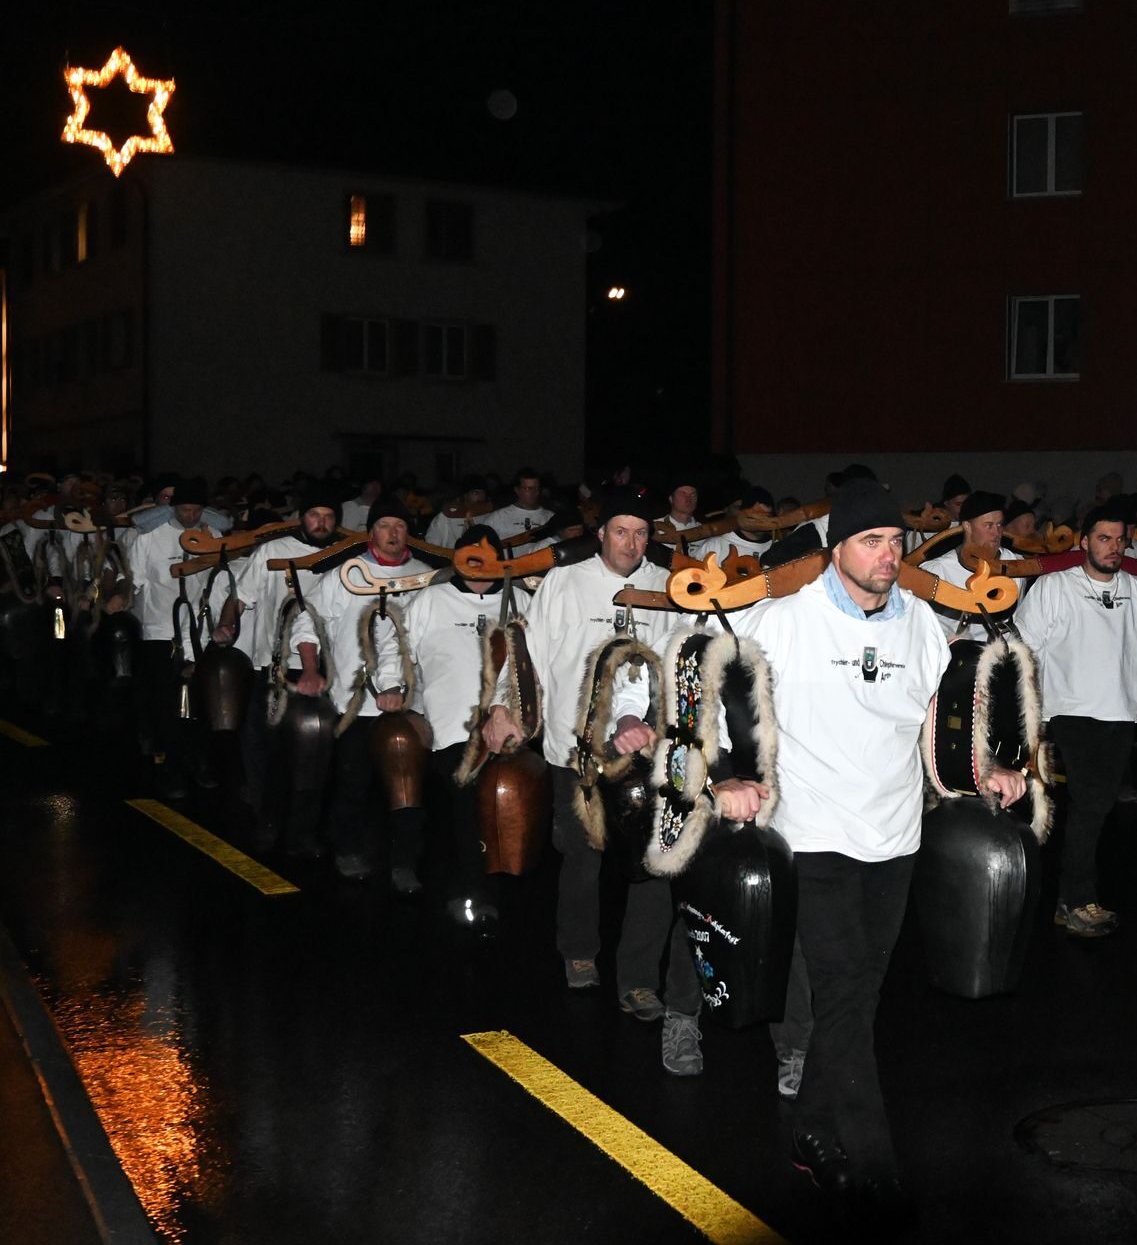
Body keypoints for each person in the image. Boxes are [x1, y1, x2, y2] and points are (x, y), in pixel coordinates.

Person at [728, 478, 1025, 1220]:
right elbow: (721, 686)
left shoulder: (920, 623)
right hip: (814, 830)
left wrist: (976, 770)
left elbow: (936, 721)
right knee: (844, 990)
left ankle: (809, 1128)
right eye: (870, 541)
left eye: (895, 542)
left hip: (894, 835)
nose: (888, 555)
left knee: (859, 991)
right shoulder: (784, 620)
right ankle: (872, 1156)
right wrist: (735, 774)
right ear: (837, 552)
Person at [517, 488, 704, 1075]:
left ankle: (640, 980)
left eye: (641, 533)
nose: (631, 543)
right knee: (581, 855)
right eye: (621, 531)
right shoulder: (564, 583)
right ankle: (579, 951)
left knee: (652, 862)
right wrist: (520, 711)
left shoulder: (666, 587)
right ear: (601, 534)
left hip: (644, 749)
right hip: (575, 749)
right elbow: (535, 654)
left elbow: (676, 658)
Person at [1018, 504, 1137, 937]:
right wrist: (1029, 718)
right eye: (1104, 538)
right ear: (1084, 542)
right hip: (1071, 711)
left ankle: (1068, 897)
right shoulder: (1054, 587)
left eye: (1120, 539)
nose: (1114, 547)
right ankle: (1077, 899)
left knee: (1093, 808)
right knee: (1091, 803)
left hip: (1122, 712)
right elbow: (1023, 649)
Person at [288, 497, 428, 885]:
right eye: (384, 525)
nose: (393, 533)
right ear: (371, 532)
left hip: (407, 703)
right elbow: (308, 621)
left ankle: (404, 863)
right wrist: (312, 668)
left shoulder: (424, 577)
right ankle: (346, 848)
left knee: (408, 790)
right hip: (355, 703)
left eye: (400, 526)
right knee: (353, 782)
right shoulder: (345, 575)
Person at [402, 525, 529, 924]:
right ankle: (474, 894)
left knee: (503, 804)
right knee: (466, 808)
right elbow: (399, 645)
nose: (480, 565)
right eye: (472, 556)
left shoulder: (520, 601)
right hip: (451, 724)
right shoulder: (432, 599)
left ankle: (493, 888)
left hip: (508, 726)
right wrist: (394, 688)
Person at [215, 490, 340, 850]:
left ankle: (308, 828)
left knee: (316, 753)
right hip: (273, 668)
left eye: (329, 516)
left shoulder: (344, 556)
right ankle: (266, 816)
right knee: (266, 747)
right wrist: (227, 625)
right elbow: (240, 597)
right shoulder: (273, 551)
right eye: (314, 514)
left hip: (325, 670)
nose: (322, 522)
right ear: (303, 517)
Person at [127, 478, 215, 797]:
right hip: (161, 631)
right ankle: (173, 769)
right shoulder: (149, 540)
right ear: (173, 508)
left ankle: (199, 762)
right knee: (167, 705)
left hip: (200, 633)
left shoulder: (212, 537)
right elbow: (133, 580)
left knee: (201, 703)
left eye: (196, 509)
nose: (190, 515)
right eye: (185, 509)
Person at [921, 491, 1020, 640]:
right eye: (988, 526)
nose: (997, 532)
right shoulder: (939, 570)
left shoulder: (1013, 562)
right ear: (967, 526)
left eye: (1000, 525)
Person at [477, 467, 557, 552]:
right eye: (528, 489)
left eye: (536, 488)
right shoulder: (498, 517)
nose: (533, 492)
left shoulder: (551, 517)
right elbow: (481, 546)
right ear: (517, 490)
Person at [426, 478, 488, 548]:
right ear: (465, 495)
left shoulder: (488, 516)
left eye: (483, 493)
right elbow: (432, 547)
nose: (480, 497)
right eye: (475, 493)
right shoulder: (445, 517)